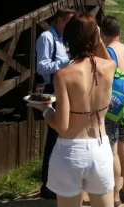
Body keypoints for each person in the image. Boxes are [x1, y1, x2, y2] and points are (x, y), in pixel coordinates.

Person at [28, 12, 117, 207]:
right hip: (100, 147)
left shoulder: (63, 74)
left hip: (70, 150)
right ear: (95, 36)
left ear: (68, 39)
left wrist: (45, 109)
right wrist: (97, 36)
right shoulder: (109, 67)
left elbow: (61, 125)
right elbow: (105, 56)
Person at [36, 8, 76, 200]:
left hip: (65, 89)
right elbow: (41, 66)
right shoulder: (47, 38)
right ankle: (47, 186)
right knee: (54, 138)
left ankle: (58, 183)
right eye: (69, 21)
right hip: (52, 89)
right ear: (59, 20)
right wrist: (67, 63)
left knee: (63, 136)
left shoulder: (65, 39)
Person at [101, 16, 124, 206]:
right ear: (120, 32)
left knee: (113, 151)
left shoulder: (107, 52)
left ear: (103, 33)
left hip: (112, 105)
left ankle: (115, 195)